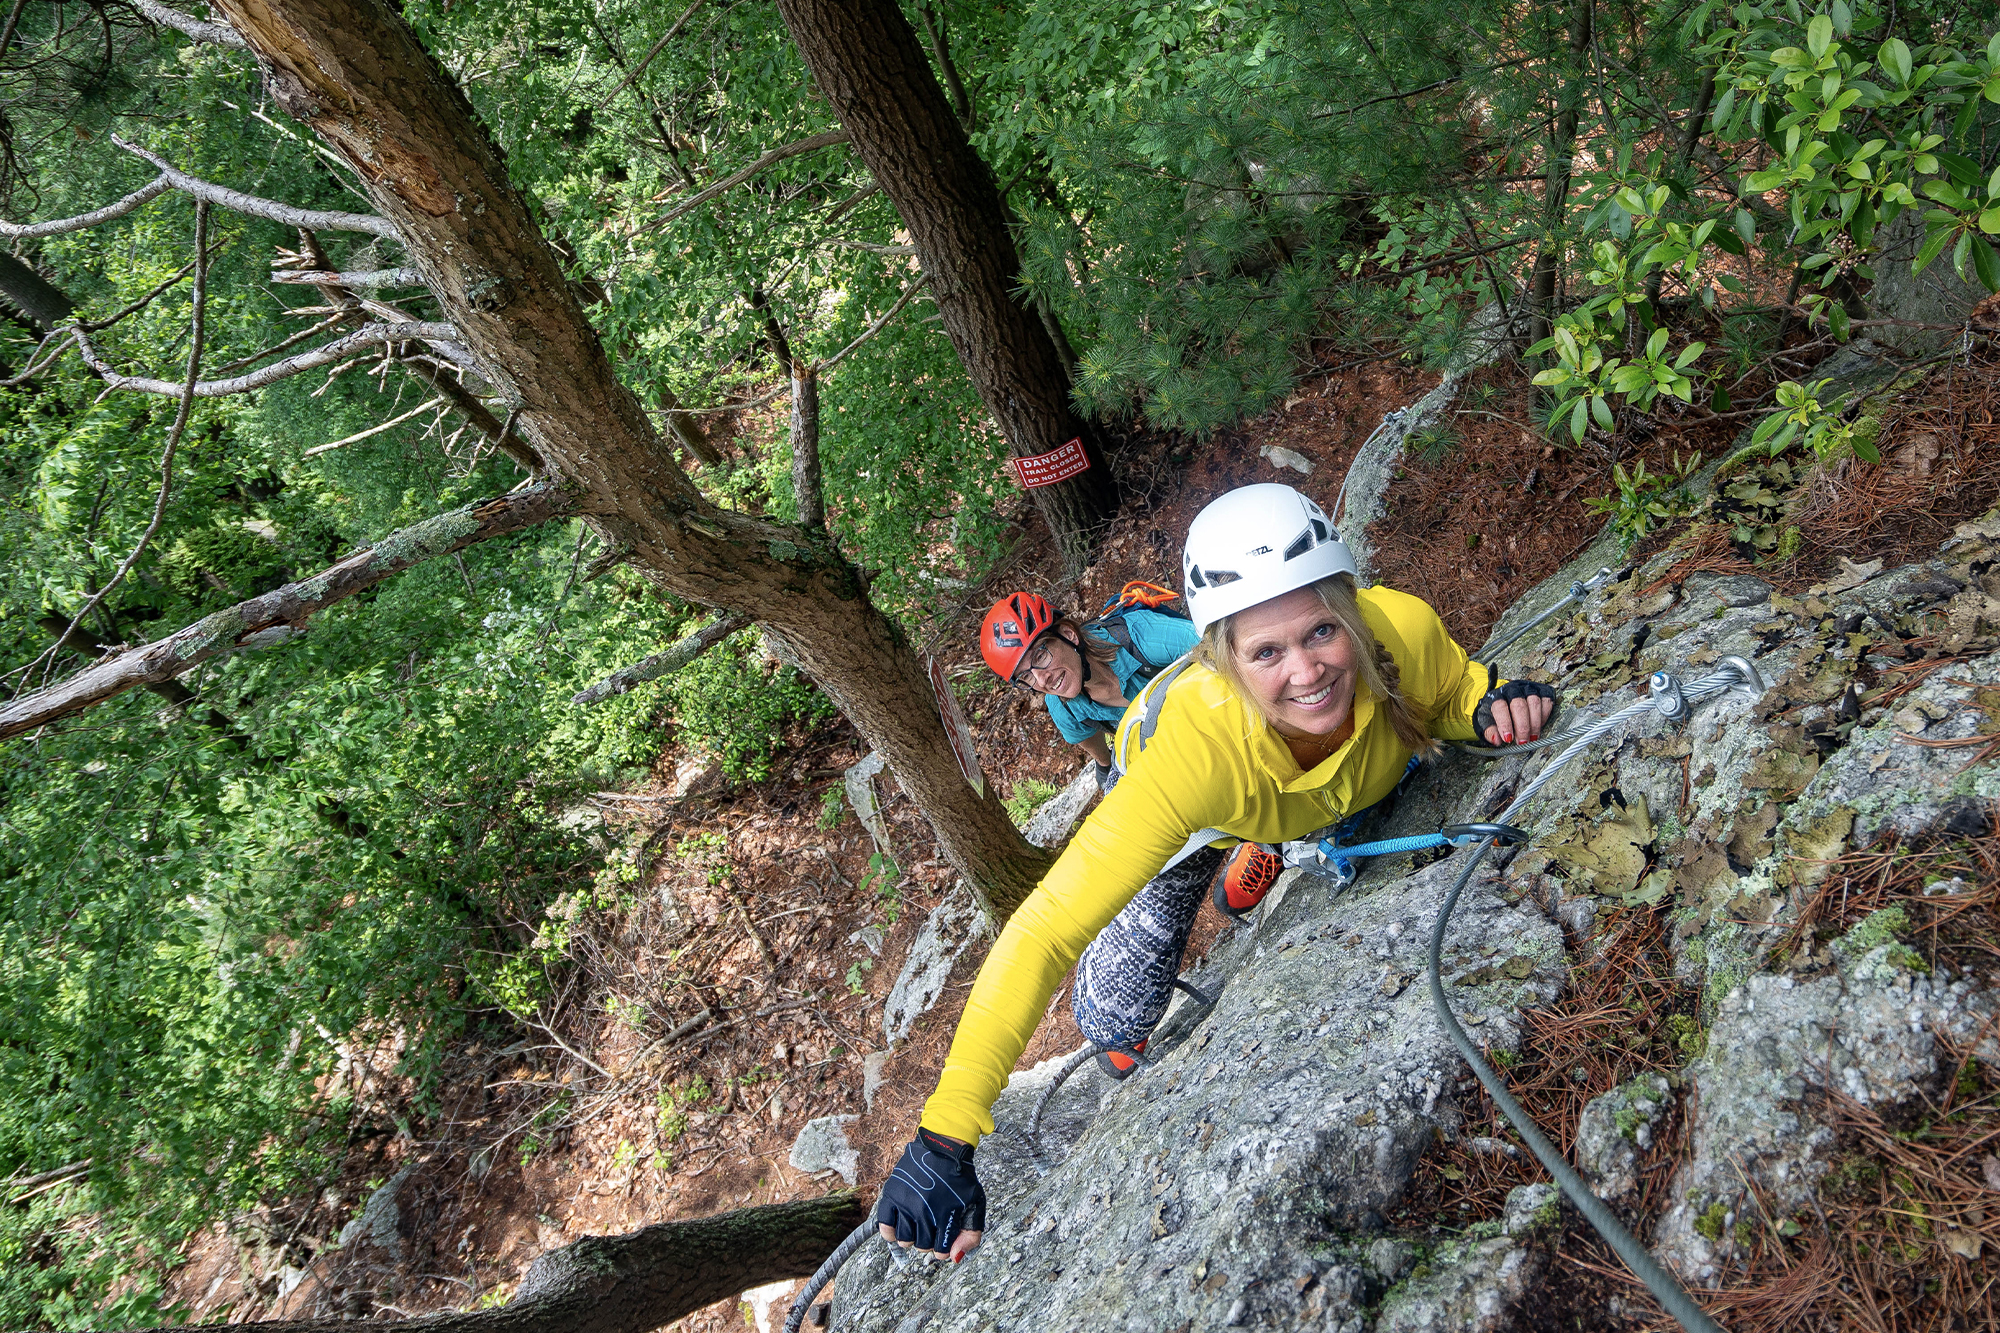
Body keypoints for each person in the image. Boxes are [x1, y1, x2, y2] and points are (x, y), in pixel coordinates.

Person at [878, 483, 1557, 1262]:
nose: (1306, 671)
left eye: (1321, 631)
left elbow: (1448, 690)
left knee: (1350, 792)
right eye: (1266, 651)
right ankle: (1249, 840)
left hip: (1266, 789)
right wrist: (946, 1134)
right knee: (1110, 1013)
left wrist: (1488, 708)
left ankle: (1278, 838)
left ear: (1351, 608)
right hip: (1196, 794)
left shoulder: (1398, 629)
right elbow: (1047, 926)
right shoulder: (1192, 757)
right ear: (1224, 657)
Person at [978, 587, 1197, 791]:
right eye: (1026, 676)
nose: (1041, 680)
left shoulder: (1140, 636)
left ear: (1068, 634)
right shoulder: (1063, 709)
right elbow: (1086, 739)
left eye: (1040, 656)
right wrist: (1105, 765)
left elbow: (1220, 647)